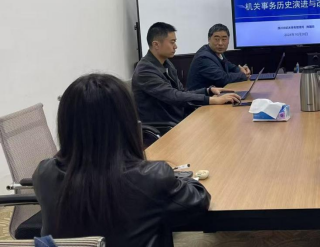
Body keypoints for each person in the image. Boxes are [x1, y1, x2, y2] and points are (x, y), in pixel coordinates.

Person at [33, 74, 212, 246]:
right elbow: (198, 200)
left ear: (65, 125)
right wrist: (174, 176)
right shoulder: (153, 177)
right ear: (128, 122)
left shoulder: (44, 173)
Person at [133, 22, 241, 123]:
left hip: (179, 117)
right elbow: (173, 96)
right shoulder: (145, 70)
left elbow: (181, 92)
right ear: (156, 45)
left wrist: (208, 91)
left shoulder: (166, 63)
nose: (175, 46)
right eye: (172, 42)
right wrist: (211, 100)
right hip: (167, 125)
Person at [186, 24, 251, 90]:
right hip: (201, 95)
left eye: (224, 39)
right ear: (209, 39)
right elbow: (223, 79)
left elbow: (229, 66)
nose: (220, 43)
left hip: (215, 93)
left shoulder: (217, 52)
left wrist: (240, 70)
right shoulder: (203, 58)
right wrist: (244, 75)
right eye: (216, 39)